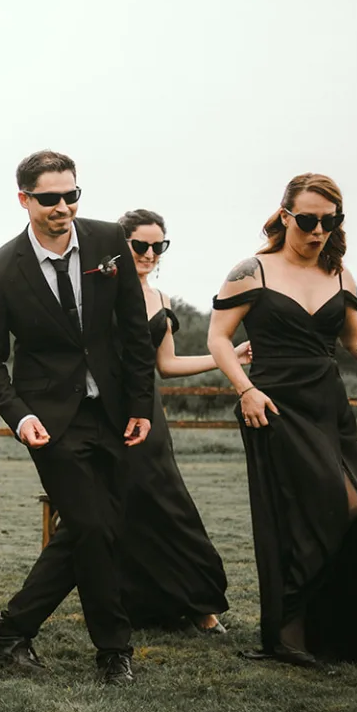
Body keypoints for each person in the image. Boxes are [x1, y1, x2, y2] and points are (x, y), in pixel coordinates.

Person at [208, 174, 357, 666]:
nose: (318, 230)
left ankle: (319, 631)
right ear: (285, 215)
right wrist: (246, 389)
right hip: (273, 402)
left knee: (340, 507)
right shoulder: (251, 270)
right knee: (334, 505)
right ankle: (287, 633)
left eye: (329, 220)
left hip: (328, 404)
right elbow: (217, 339)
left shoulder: (340, 274)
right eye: (309, 219)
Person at [0, 151, 154, 685]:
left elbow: (134, 331)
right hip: (49, 419)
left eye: (71, 195)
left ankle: (9, 632)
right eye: (50, 198)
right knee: (93, 526)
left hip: (116, 411)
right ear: (24, 199)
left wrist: (142, 404)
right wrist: (18, 416)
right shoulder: (0, 267)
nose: (63, 207)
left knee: (92, 529)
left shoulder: (107, 243)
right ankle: (113, 650)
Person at [117, 208, 239, 635]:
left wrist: (227, 359)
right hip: (107, 413)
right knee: (126, 509)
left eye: (158, 246)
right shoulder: (101, 291)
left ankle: (202, 604)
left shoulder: (162, 300)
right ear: (122, 243)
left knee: (172, 506)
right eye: (141, 245)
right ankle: (140, 606)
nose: (150, 253)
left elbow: (166, 365)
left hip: (150, 415)